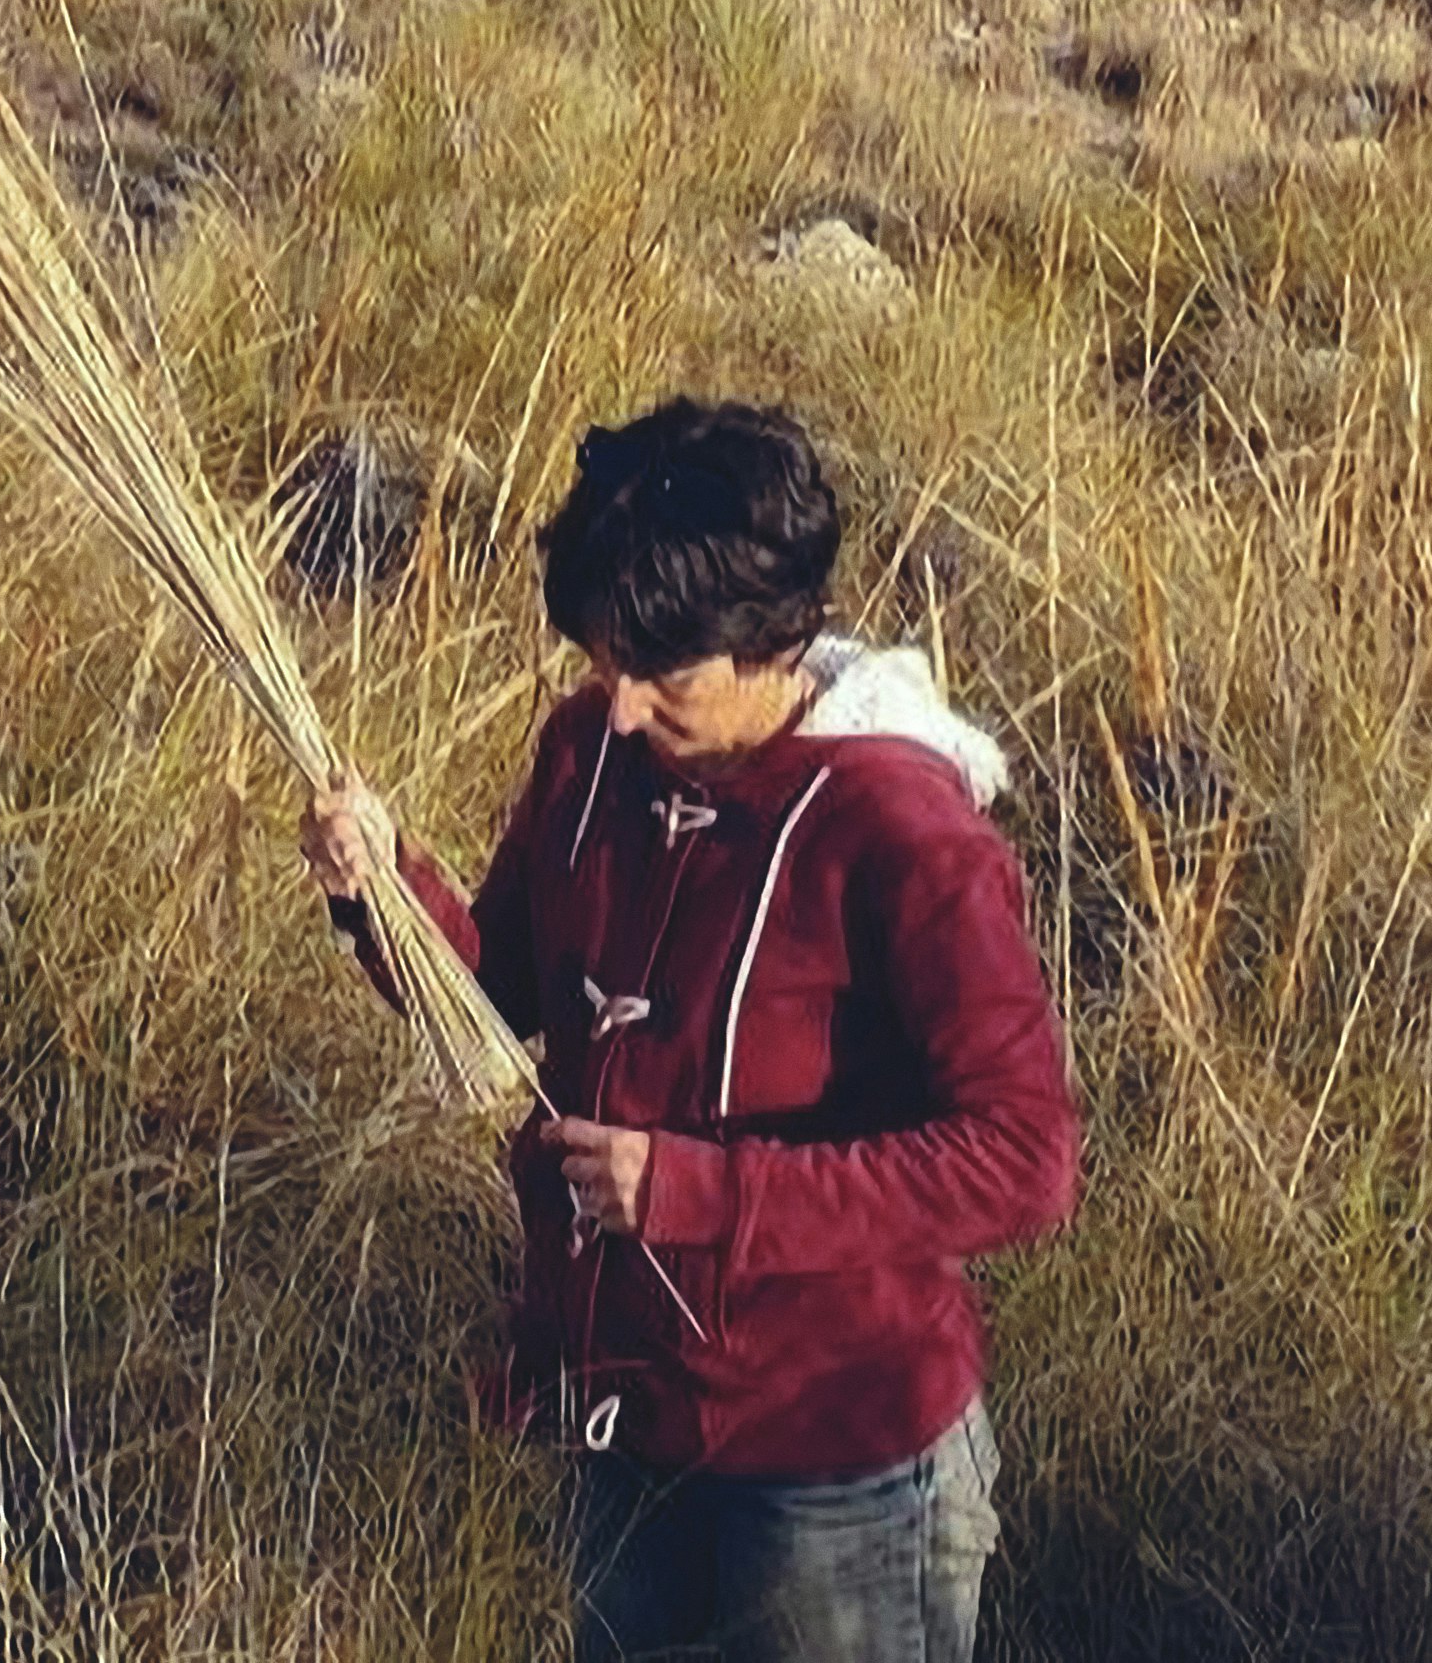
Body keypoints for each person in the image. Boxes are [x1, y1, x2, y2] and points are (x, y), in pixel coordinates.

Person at [298, 397, 1078, 1663]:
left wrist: (698, 1192)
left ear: (776, 641)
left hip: (839, 1467)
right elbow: (506, 1001)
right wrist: (383, 891)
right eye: (608, 662)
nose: (620, 707)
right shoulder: (588, 755)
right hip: (623, 1421)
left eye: (664, 675)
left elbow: (1023, 1159)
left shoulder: (904, 833)